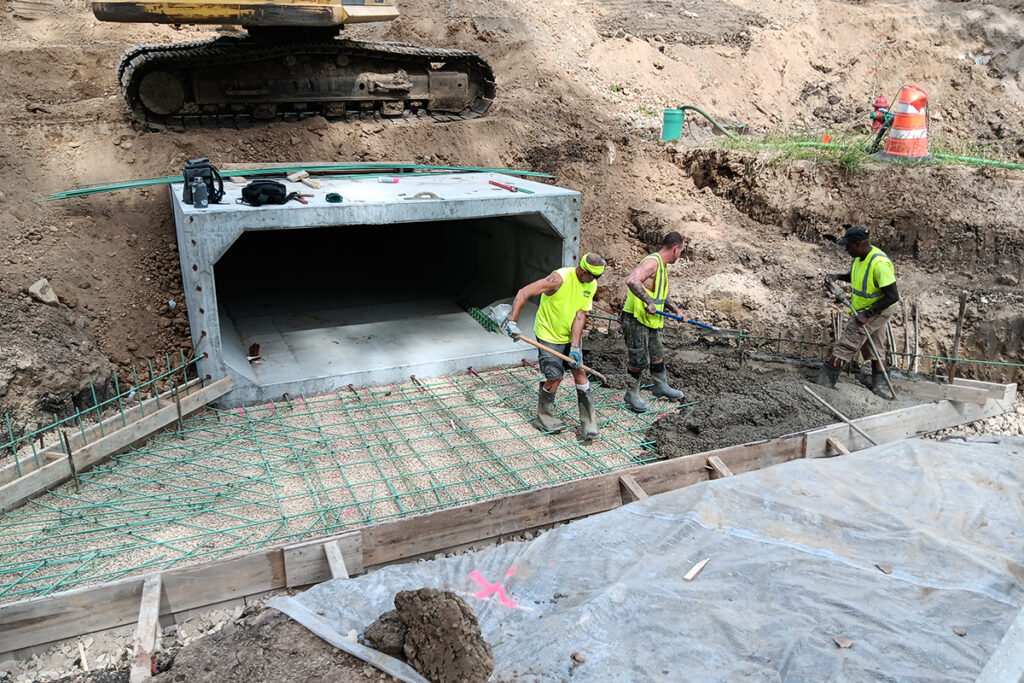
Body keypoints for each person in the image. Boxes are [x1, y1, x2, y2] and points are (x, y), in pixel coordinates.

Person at [506, 253, 605, 440]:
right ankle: (544, 416)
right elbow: (524, 292)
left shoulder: (590, 284)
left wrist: (575, 347)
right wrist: (513, 321)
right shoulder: (558, 279)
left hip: (569, 335)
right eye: (593, 276)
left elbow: (580, 315)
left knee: (580, 373)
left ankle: (589, 421)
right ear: (584, 271)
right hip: (548, 334)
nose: (595, 281)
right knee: (555, 376)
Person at [816, 225, 899, 399]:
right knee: (876, 348)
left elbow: (892, 297)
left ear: (860, 243)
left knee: (847, 343)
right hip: (867, 309)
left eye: (849, 245)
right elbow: (855, 275)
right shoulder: (859, 257)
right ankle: (882, 390)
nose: (846, 249)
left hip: (878, 309)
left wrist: (867, 314)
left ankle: (824, 384)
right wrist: (838, 276)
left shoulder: (880, 264)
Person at [620, 231, 689, 413]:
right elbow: (632, 280)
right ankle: (631, 393)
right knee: (638, 359)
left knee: (657, 354)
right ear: (675, 249)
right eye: (681, 252)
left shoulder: (662, 267)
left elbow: (661, 295)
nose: (679, 256)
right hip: (635, 318)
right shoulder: (652, 263)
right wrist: (648, 302)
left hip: (650, 320)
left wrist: (677, 311)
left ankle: (660, 386)